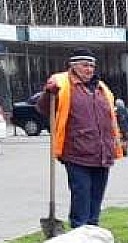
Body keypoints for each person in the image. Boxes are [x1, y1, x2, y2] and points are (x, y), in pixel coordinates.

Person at [36, 48, 123, 229]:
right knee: (81, 194)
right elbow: (43, 108)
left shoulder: (101, 88)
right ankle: (79, 229)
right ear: (73, 66)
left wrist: (123, 138)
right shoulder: (62, 84)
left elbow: (112, 116)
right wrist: (48, 93)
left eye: (92, 65)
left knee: (96, 196)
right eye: (85, 65)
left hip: (102, 153)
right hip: (76, 153)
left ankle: (92, 229)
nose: (89, 69)